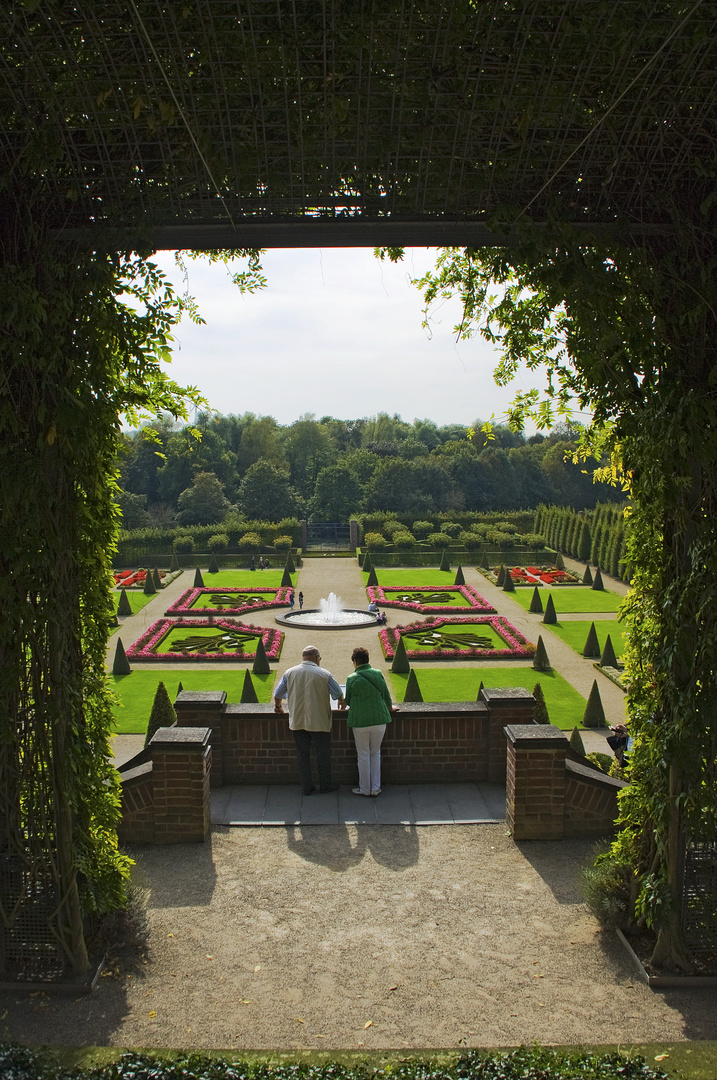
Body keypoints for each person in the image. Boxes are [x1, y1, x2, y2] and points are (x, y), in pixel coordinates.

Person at [274, 645, 346, 795]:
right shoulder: (324, 674)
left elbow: (278, 693)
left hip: (298, 721)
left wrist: (278, 706)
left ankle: (307, 787)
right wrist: (341, 700)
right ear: (316, 657)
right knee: (323, 755)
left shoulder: (289, 673)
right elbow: (338, 692)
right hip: (319, 721)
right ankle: (325, 785)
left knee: (302, 756)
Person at [344, 646, 398, 797]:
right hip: (379, 718)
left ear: (355, 661)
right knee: (375, 753)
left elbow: (348, 701)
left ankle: (364, 788)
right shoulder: (378, 673)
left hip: (360, 721)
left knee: (363, 755)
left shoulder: (351, 678)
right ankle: (375, 788)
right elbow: (387, 696)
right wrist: (390, 708)